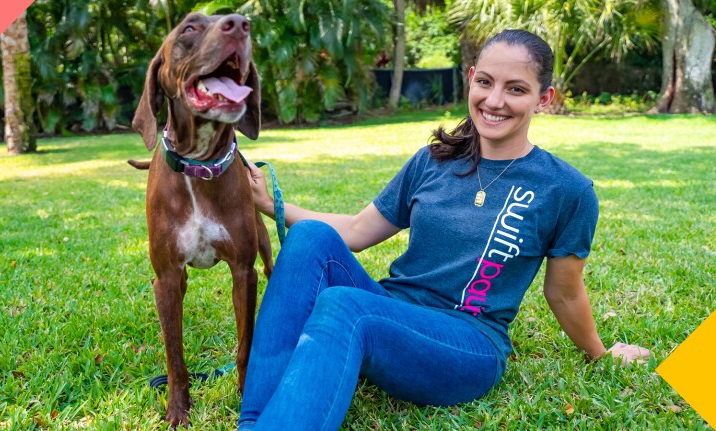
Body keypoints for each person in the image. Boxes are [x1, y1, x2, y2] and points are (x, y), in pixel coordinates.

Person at [238, 29, 649, 431]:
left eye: (516, 89)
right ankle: (255, 421)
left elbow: (564, 291)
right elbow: (357, 231)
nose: (494, 100)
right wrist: (271, 203)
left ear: (544, 99)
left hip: (467, 341)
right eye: (485, 82)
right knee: (312, 238)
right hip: (390, 310)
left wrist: (600, 353)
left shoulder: (566, 189)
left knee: (344, 306)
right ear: (471, 79)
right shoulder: (432, 161)